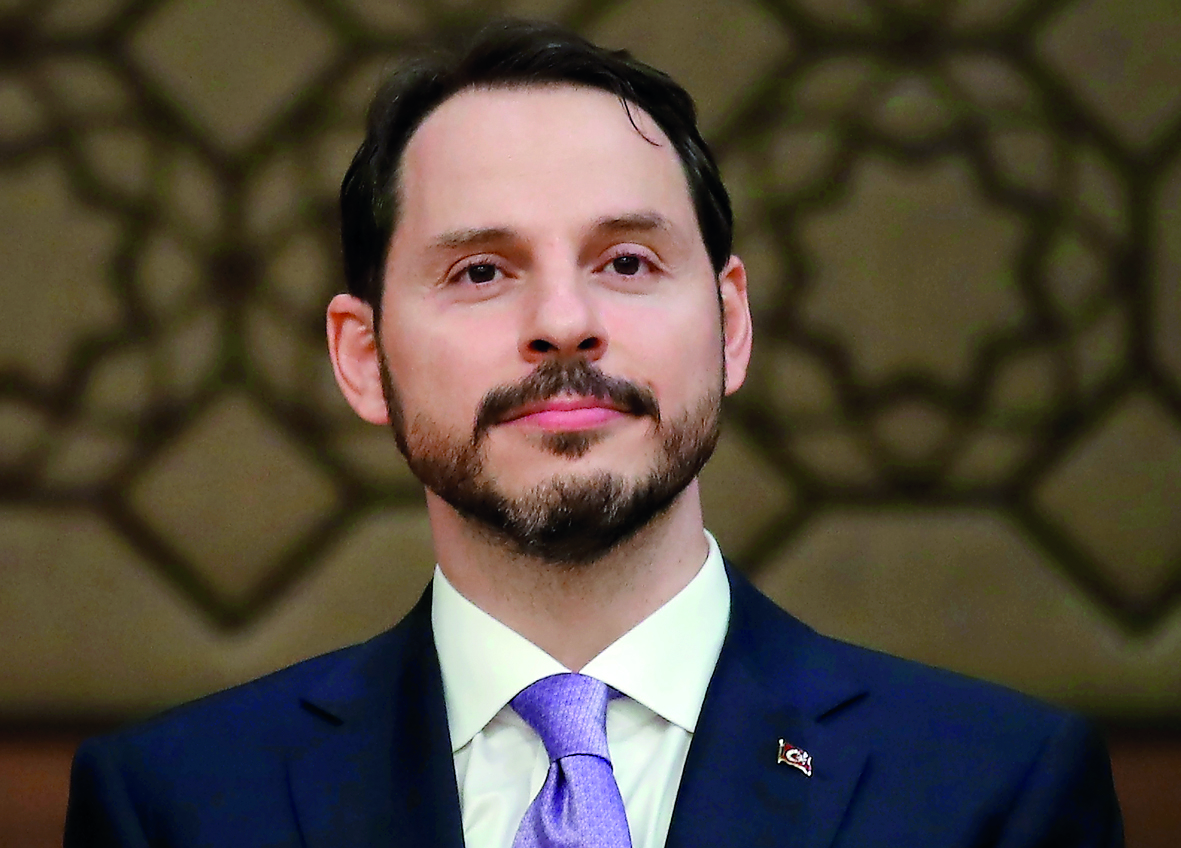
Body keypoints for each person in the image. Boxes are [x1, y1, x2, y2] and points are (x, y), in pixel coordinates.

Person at [64, 18, 1123, 848]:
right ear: (360, 355)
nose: (563, 320)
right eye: (480, 270)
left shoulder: (996, 788)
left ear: (730, 324)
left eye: (625, 261)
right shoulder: (175, 804)